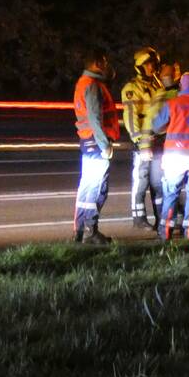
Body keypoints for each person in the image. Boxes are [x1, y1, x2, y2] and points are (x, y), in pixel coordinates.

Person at [150, 72, 189, 241]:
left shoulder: (172, 104)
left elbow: (156, 127)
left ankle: (165, 233)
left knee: (171, 194)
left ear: (180, 87)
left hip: (174, 158)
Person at [72, 49, 121, 244]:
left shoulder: (82, 83)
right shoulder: (92, 85)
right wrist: (104, 145)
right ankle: (91, 231)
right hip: (97, 143)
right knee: (97, 188)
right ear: (97, 63)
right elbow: (95, 117)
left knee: (87, 186)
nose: (107, 66)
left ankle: (80, 231)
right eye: (105, 62)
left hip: (88, 142)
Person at [121, 46, 162, 228]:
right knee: (141, 180)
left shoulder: (156, 85)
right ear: (139, 66)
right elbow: (130, 116)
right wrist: (138, 140)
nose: (152, 67)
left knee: (158, 181)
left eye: (153, 63)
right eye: (148, 64)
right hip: (143, 142)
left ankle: (162, 217)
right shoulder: (132, 88)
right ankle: (139, 218)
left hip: (158, 139)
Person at [146, 62, 182, 228]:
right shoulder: (169, 94)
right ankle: (167, 219)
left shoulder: (167, 94)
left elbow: (154, 123)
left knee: (163, 185)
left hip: (165, 143)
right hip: (166, 143)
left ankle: (166, 220)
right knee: (164, 185)